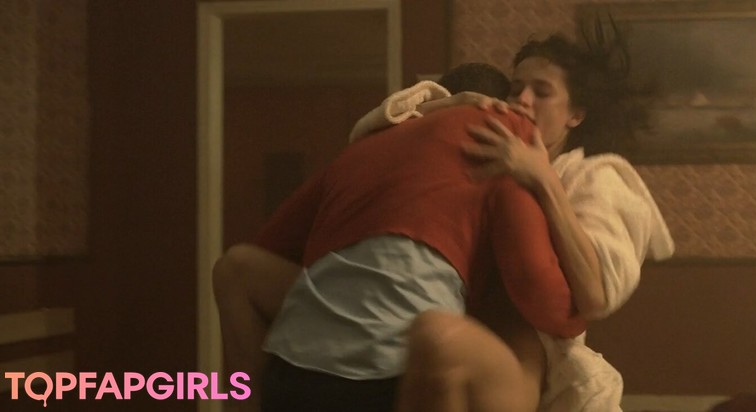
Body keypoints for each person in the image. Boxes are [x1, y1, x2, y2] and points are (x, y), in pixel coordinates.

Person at [213, 63, 586, 412]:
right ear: (492, 107)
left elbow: (270, 243)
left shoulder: (366, 145)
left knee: (235, 265)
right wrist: (582, 309)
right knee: (486, 340)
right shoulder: (498, 138)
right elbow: (546, 299)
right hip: (386, 383)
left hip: (290, 376)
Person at [395, 29, 675, 412]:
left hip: (529, 357)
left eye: (541, 92)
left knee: (438, 337)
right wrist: (450, 106)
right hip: (461, 324)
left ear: (575, 114)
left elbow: (595, 297)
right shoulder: (490, 151)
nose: (522, 100)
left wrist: (542, 178)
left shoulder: (595, 176)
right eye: (515, 89)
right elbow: (381, 136)